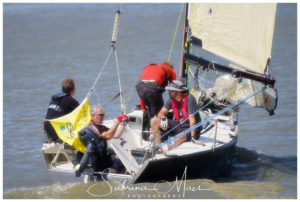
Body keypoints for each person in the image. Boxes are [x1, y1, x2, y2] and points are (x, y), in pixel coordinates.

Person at [74, 106, 129, 176]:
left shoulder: (100, 127)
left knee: (122, 157)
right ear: (93, 116)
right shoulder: (92, 128)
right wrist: (118, 121)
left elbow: (117, 135)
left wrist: (123, 124)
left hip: (100, 157)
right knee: (120, 159)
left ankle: (115, 172)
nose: (103, 117)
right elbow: (108, 136)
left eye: (103, 115)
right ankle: (111, 172)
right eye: (100, 115)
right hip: (97, 161)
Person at [150, 80, 202, 152]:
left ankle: (168, 153)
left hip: (190, 129)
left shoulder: (190, 99)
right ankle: (158, 149)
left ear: (178, 91)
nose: (169, 92)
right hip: (178, 126)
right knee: (154, 121)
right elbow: (161, 113)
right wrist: (164, 118)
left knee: (179, 138)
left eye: (171, 91)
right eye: (168, 90)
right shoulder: (171, 99)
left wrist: (193, 138)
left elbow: (192, 122)